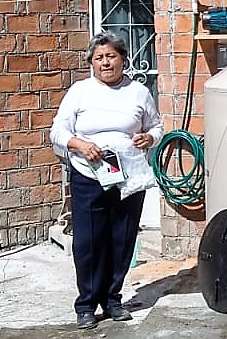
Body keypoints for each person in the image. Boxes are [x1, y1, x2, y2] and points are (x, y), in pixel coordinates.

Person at [50, 31, 163, 330]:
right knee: (88, 242)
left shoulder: (138, 92)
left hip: (129, 176)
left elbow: (156, 126)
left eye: (111, 56)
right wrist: (79, 144)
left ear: (123, 59)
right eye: (98, 58)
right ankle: (86, 304)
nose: (105, 63)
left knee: (122, 238)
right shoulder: (80, 91)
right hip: (89, 174)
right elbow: (58, 131)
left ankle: (113, 299)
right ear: (91, 63)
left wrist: (149, 138)